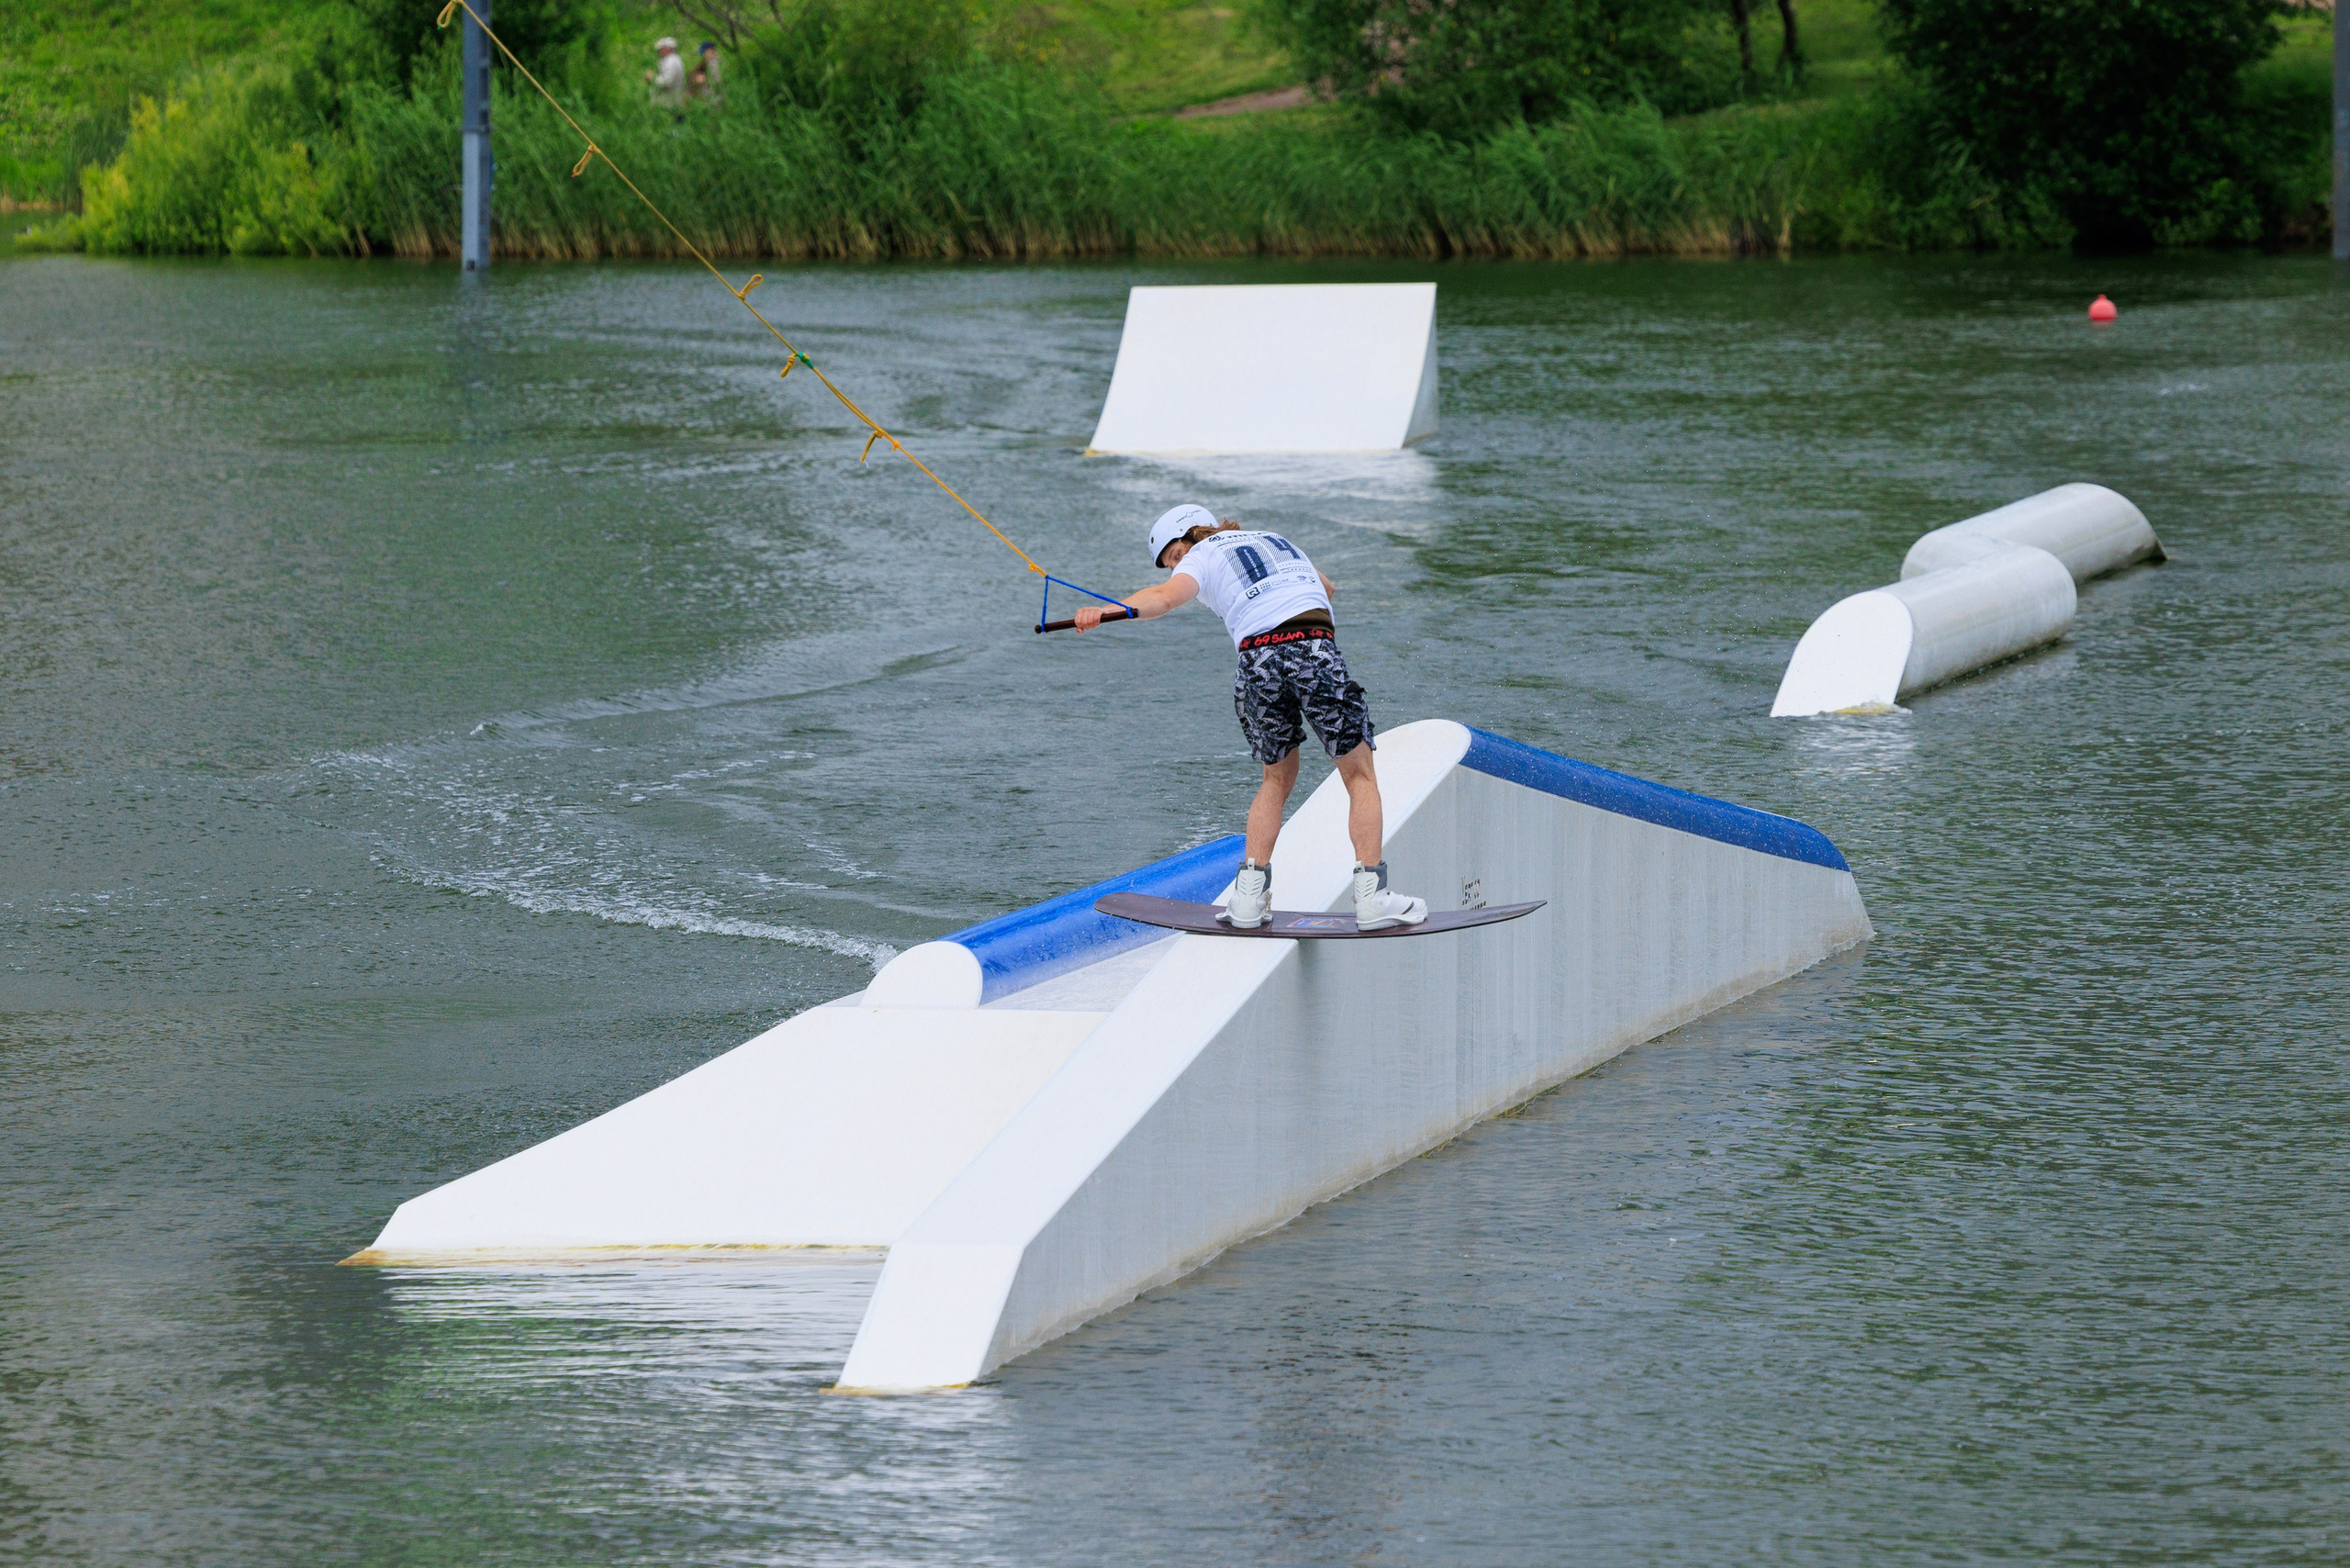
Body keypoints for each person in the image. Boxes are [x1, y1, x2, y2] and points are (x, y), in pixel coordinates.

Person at [1073, 505, 1428, 931]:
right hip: (1312, 646)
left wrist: (1107, 609)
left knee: (1275, 779)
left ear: (1188, 539)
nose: (1175, 567)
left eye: (1173, 558)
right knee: (1359, 774)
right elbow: (1326, 588)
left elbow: (1164, 598)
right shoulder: (1277, 540)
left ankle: (1247, 901)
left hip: (1257, 660)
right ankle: (1373, 899)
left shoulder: (1200, 557)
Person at [645, 38, 686, 112]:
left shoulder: (671, 62)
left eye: (661, 49)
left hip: (667, 105)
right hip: (669, 103)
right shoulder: (673, 60)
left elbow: (667, 81)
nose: (659, 51)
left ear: (667, 49)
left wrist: (652, 78)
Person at [689, 41, 723, 106]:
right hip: (710, 94)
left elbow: (717, 80)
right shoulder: (709, 62)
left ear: (710, 51)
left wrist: (703, 80)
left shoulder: (715, 63)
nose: (703, 55)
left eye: (704, 53)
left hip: (715, 95)